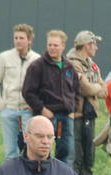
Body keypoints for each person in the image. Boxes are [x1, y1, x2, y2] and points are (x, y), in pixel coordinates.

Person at [22, 30, 77, 167]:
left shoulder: (69, 67)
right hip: (47, 115)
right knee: (43, 150)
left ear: (63, 46)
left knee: (66, 151)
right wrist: (42, 109)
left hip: (66, 116)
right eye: (49, 45)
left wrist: (72, 109)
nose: (52, 48)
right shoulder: (37, 66)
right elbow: (28, 92)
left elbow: (76, 90)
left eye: (55, 45)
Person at [0, 24, 40, 160]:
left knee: (29, 149)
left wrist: (36, 104)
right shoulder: (4, 57)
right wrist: (1, 104)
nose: (17, 40)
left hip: (27, 111)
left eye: (21, 38)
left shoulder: (37, 60)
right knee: (10, 152)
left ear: (29, 40)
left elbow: (43, 85)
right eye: (15, 38)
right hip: (8, 110)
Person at [67, 30, 107, 175]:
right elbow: (83, 88)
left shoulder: (93, 65)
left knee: (88, 159)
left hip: (90, 116)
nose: (96, 48)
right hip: (76, 116)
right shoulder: (72, 63)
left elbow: (104, 90)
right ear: (86, 45)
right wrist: (95, 88)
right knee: (76, 157)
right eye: (94, 44)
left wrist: (95, 87)